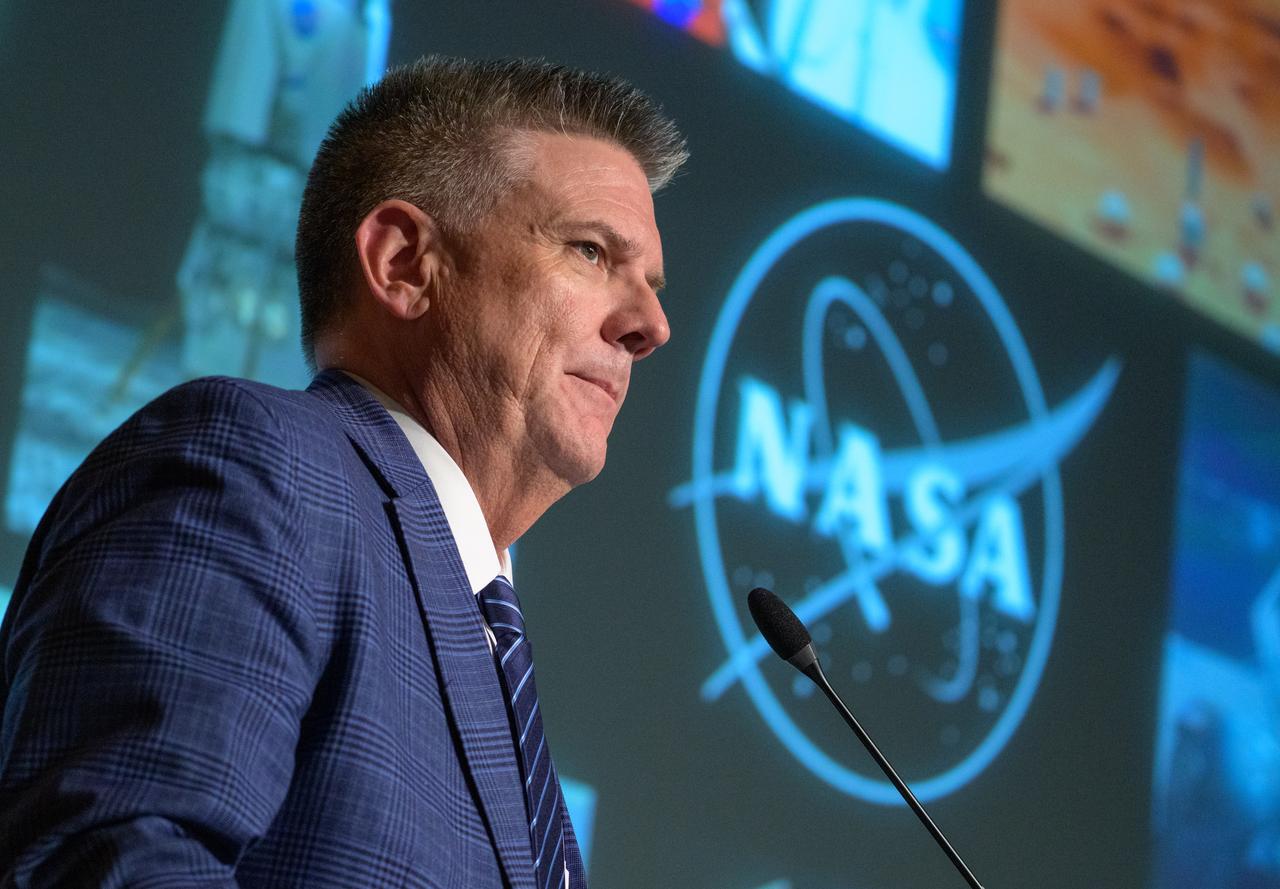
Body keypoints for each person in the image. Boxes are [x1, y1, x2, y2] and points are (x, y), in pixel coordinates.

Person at [0, 56, 687, 888]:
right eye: (589, 251)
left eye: (649, 283)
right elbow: (111, 858)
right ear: (403, 264)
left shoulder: (482, 625)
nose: (651, 325)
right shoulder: (255, 469)